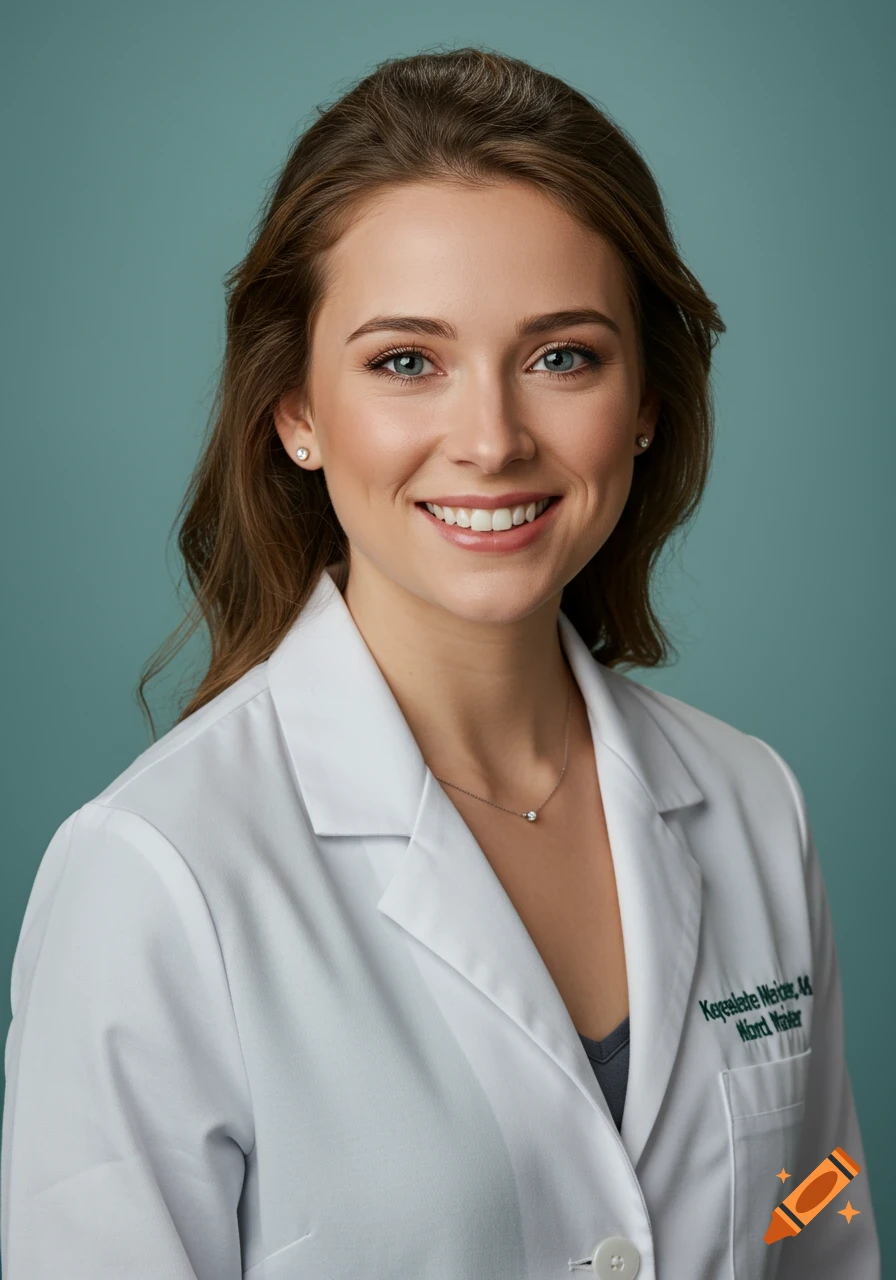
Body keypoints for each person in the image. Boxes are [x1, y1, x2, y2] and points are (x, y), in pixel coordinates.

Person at [0, 45, 880, 1280]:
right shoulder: (155, 876)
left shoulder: (750, 805)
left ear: (643, 401)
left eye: (561, 354)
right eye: (405, 360)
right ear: (294, 412)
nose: (490, 439)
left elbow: (816, 1220)